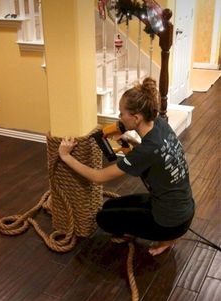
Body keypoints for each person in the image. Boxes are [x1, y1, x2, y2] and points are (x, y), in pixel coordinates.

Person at [58, 77, 194, 256]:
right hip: (180, 208)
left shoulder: (147, 150)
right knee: (110, 206)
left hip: (170, 223)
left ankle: (167, 239)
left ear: (136, 118)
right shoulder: (159, 124)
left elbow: (98, 177)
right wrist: (131, 140)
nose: (119, 117)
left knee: (103, 219)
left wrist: (66, 156)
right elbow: (157, 155)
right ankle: (151, 229)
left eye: (122, 113)